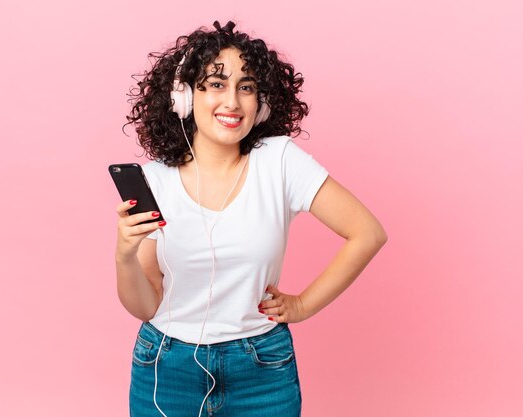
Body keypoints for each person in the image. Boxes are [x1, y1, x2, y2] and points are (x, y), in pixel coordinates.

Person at [116, 20, 387, 417]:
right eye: (216, 84)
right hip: (165, 366)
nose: (233, 102)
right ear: (184, 98)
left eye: (246, 87)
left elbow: (368, 233)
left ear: (261, 102)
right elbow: (145, 305)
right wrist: (124, 255)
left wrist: (303, 305)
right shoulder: (155, 180)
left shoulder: (279, 161)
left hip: (261, 366)